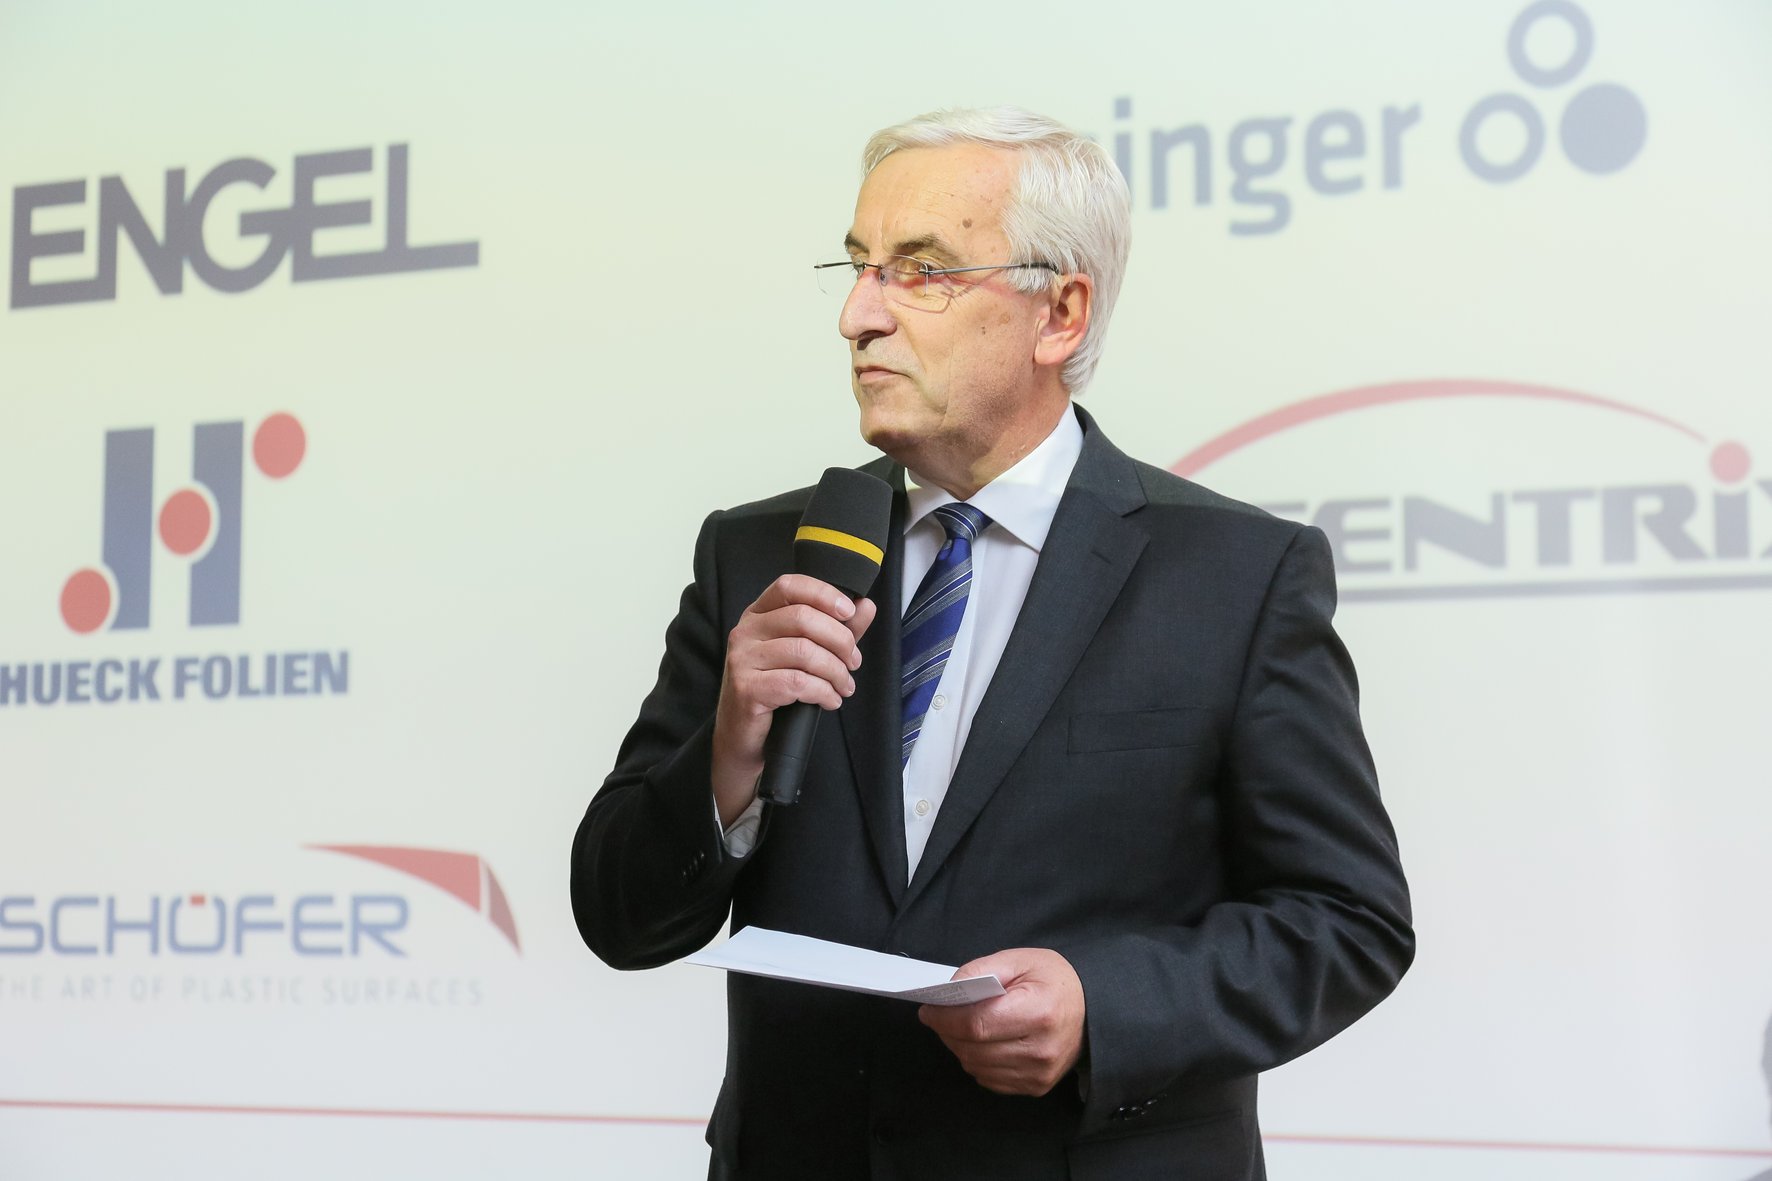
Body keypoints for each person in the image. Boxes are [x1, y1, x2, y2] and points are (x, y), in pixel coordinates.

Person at [572, 106, 1413, 1180]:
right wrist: (729, 749)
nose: (857, 316)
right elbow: (619, 913)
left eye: (921, 272)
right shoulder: (761, 556)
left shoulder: (1236, 575)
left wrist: (1100, 1004)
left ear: (1059, 313)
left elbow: (1347, 919)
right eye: (859, 266)